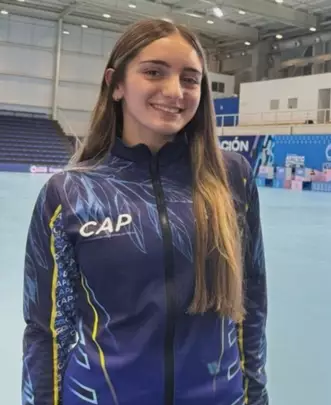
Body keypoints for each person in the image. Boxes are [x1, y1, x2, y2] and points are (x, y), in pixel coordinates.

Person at [21, 19, 268, 405]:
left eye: (190, 79)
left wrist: (257, 396)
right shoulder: (70, 194)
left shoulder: (232, 177)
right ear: (116, 84)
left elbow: (251, 306)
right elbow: (46, 331)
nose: (175, 91)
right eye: (154, 72)